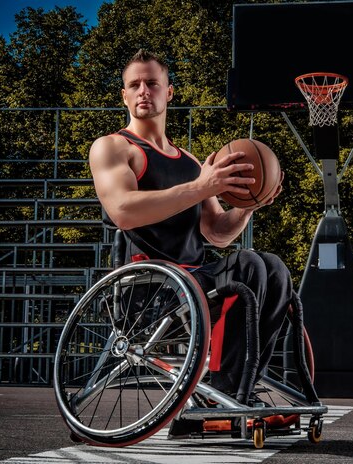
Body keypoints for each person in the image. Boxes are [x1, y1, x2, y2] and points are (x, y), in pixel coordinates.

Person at [89, 49, 295, 435]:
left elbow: (216, 231)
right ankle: (223, 399)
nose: (143, 91)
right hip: (149, 287)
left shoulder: (192, 162)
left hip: (196, 279)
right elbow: (123, 210)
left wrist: (251, 205)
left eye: (152, 83)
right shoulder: (114, 148)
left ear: (170, 92)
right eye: (134, 85)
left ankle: (236, 393)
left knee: (273, 268)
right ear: (124, 96)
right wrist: (203, 185)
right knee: (248, 265)